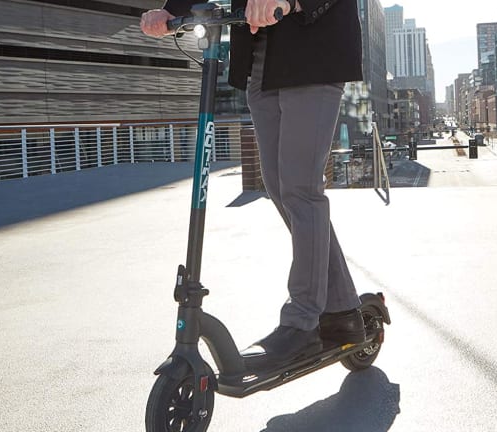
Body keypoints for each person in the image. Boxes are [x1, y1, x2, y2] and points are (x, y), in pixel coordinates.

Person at [141, 0, 365, 370]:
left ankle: (303, 321)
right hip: (261, 55)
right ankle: (342, 309)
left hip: (312, 45)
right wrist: (171, 9)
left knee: (300, 188)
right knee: (280, 187)